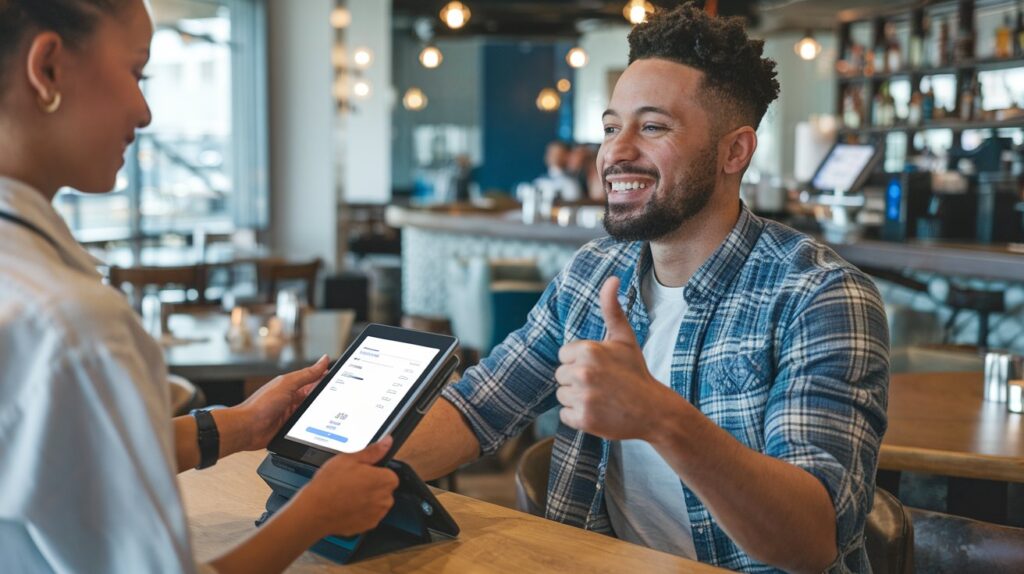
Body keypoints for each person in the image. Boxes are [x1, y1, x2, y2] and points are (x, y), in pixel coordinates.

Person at [399, 4, 888, 574]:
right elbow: (476, 409)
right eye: (611, 127)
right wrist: (324, 469)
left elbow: (810, 541)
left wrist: (660, 417)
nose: (616, 152)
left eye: (652, 127)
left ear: (736, 151)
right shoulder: (592, 273)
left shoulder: (819, 296)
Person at [0, 1, 397, 572]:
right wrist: (316, 512)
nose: (144, 113)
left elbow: (68, 463)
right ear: (49, 68)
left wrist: (241, 424)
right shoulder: (72, 324)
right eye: (137, 72)